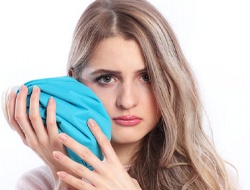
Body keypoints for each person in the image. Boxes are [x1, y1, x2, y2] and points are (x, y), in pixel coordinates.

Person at [6, 0, 238, 189]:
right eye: (107, 78)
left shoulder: (207, 180)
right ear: (74, 81)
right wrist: (65, 179)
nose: (127, 101)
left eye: (146, 77)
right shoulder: (38, 184)